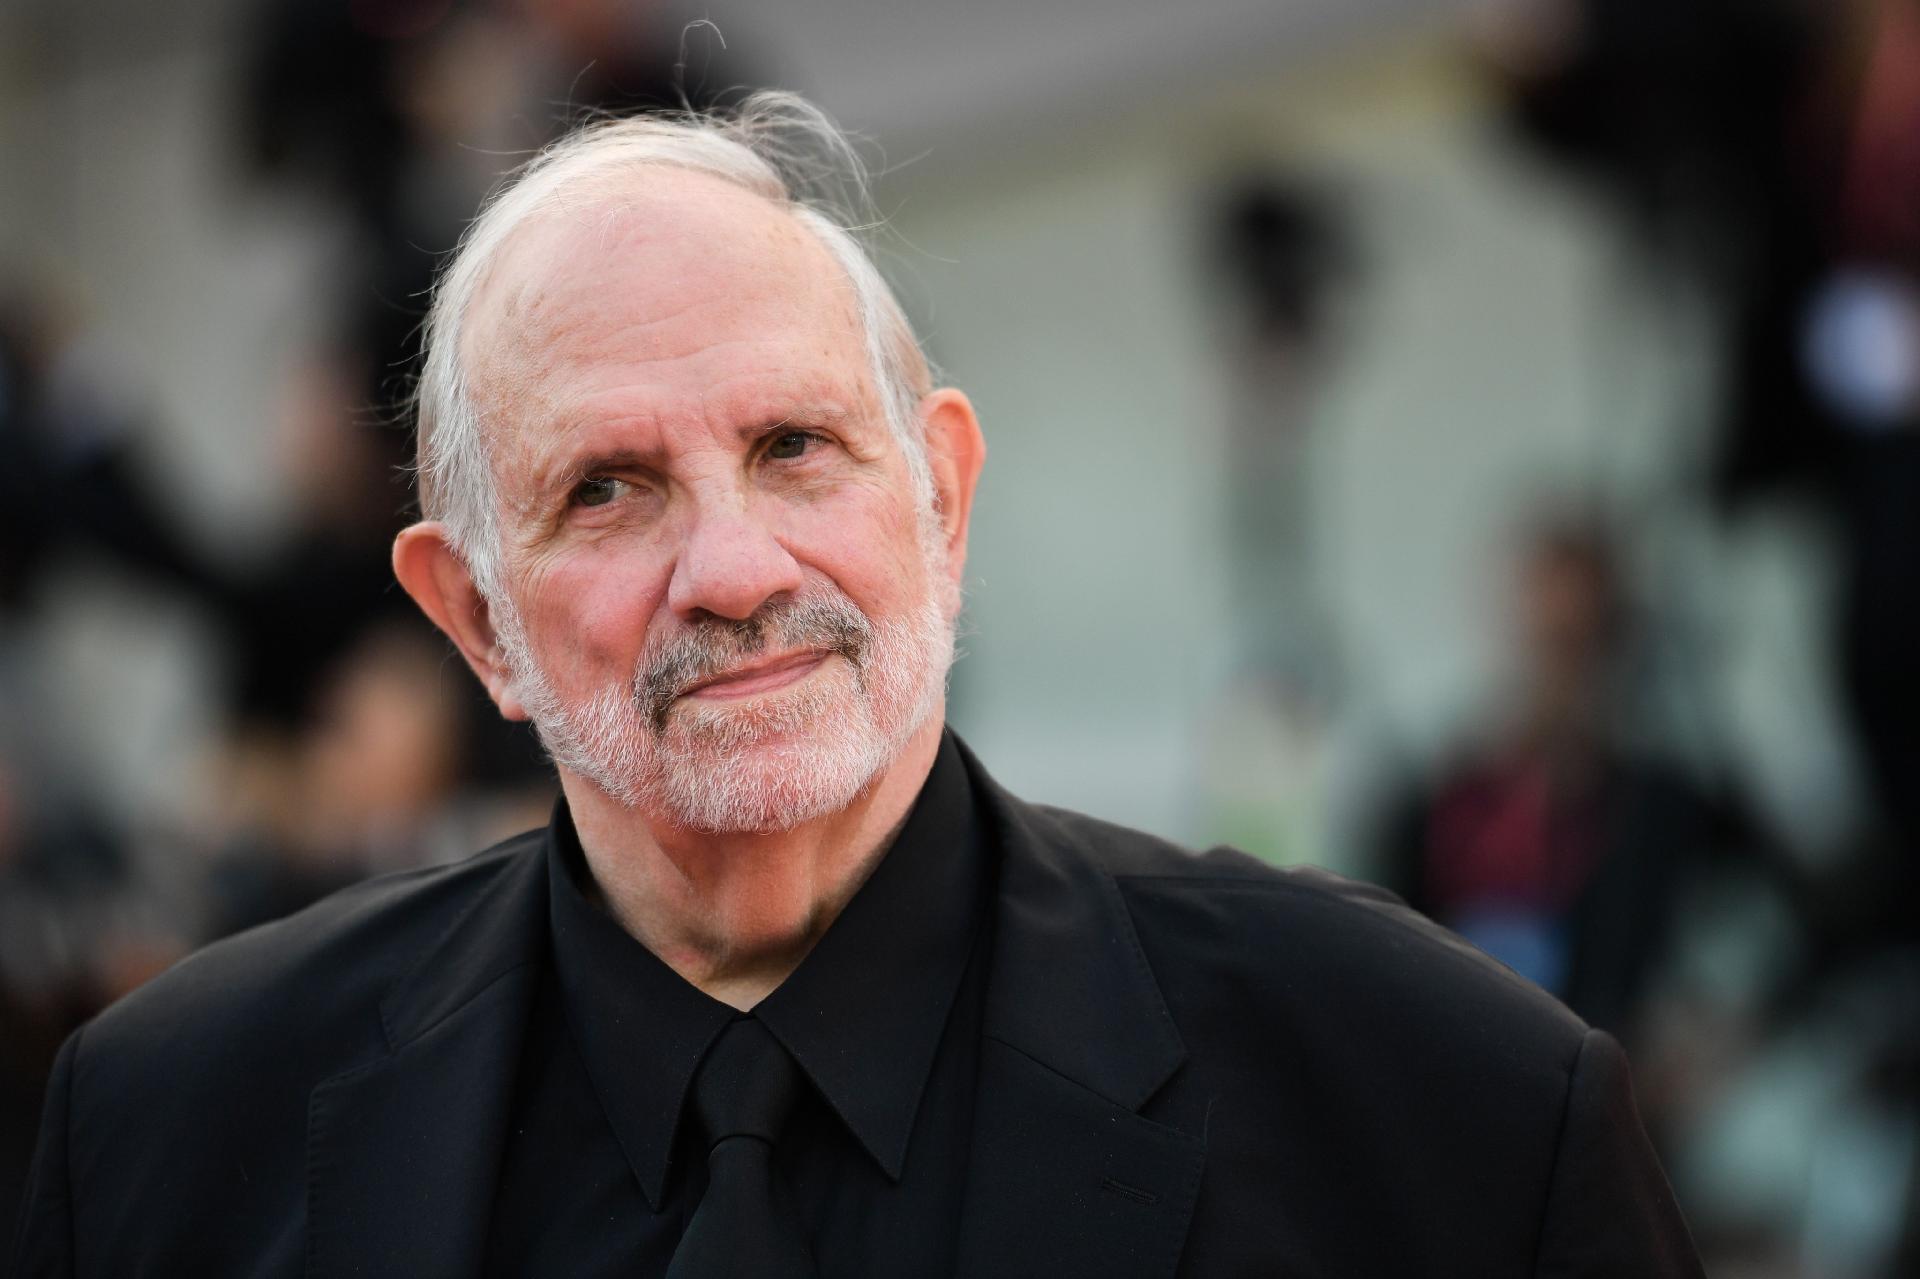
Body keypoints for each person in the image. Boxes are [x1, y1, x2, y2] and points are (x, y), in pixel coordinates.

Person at [11, 93, 1702, 1277]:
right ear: (477, 626)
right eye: (608, 488)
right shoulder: (168, 1136)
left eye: (796, 447)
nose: (735, 570)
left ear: (943, 503)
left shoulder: (1448, 1115)